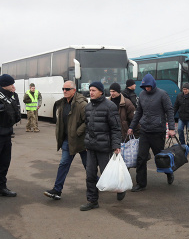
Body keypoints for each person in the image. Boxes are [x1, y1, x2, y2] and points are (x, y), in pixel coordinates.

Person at [127, 74, 176, 191]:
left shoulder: (162, 94)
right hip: (145, 130)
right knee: (141, 158)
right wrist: (132, 127)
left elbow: (169, 110)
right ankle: (141, 184)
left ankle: (169, 173)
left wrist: (172, 128)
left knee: (160, 158)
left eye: (149, 86)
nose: (147, 88)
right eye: (145, 87)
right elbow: (138, 112)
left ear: (153, 85)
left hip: (158, 131)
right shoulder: (142, 95)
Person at [80, 81, 122, 211]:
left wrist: (116, 145)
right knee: (90, 175)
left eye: (94, 90)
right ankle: (92, 201)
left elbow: (116, 128)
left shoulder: (110, 106)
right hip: (91, 147)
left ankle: (120, 188)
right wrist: (87, 142)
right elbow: (87, 127)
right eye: (90, 90)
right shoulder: (88, 107)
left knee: (107, 175)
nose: (91, 92)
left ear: (101, 92)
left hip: (105, 148)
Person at [44, 81, 88, 200]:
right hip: (68, 140)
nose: (64, 91)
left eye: (67, 89)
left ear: (74, 90)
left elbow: (88, 121)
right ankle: (57, 190)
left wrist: (78, 131)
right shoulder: (62, 103)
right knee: (63, 164)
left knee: (88, 166)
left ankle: (98, 184)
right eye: (63, 89)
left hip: (81, 141)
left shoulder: (81, 104)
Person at [0, 74, 21, 197]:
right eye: (11, 84)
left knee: (4, 163)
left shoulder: (12, 96)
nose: (13, 86)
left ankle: (2, 187)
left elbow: (16, 114)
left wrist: (13, 97)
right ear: (5, 85)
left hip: (7, 134)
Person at [173, 82, 189, 150]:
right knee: (179, 130)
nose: (185, 91)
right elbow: (176, 106)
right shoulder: (179, 96)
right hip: (181, 117)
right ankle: (182, 144)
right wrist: (172, 115)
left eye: (186, 89)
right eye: (184, 89)